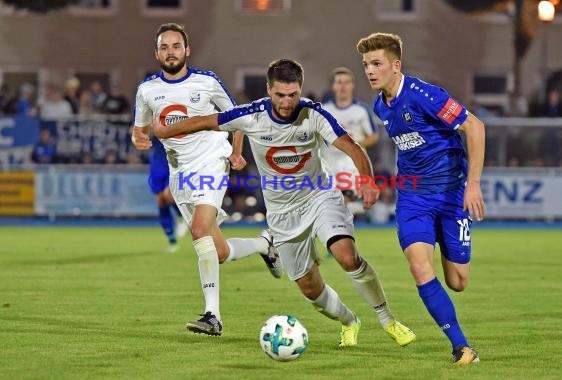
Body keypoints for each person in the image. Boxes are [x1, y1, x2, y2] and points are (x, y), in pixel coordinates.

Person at [152, 58, 416, 348]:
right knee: (309, 287)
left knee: (346, 255)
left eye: (293, 94)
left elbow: (352, 147)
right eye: (280, 95)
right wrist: (165, 131)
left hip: (320, 197)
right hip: (282, 214)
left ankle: (388, 320)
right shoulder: (251, 115)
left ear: (300, 89)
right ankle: (349, 320)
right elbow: (205, 121)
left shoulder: (313, 114)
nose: (287, 102)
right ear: (269, 90)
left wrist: (367, 180)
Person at [131, 23, 282, 336]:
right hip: (179, 172)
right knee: (220, 251)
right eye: (164, 47)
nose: (170, 52)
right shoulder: (147, 90)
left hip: (212, 160)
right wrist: (139, 138)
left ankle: (213, 316)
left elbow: (236, 118)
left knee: (199, 229)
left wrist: (236, 152)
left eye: (176, 46)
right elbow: (140, 128)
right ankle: (264, 244)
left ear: (187, 51)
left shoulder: (207, 81)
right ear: (156, 52)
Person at [356, 32, 485, 365]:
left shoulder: (425, 95)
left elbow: (475, 127)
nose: (370, 71)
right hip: (413, 197)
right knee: (418, 267)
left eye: (376, 64)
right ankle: (462, 347)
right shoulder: (378, 105)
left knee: (458, 281)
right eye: (366, 65)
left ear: (396, 65)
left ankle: (444, 235)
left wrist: (473, 184)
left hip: (452, 193)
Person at [322, 67, 379, 214]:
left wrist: (353, 146)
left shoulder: (361, 109)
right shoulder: (325, 109)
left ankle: (349, 216)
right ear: (333, 86)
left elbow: (373, 136)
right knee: (331, 200)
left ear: (352, 85)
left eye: (346, 82)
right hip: (330, 159)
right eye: (339, 82)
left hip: (352, 160)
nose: (343, 86)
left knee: (345, 196)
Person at [147, 135, 186, 253]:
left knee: (168, 195)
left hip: (176, 157)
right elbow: (139, 130)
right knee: (160, 200)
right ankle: (172, 241)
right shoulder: (145, 115)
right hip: (158, 159)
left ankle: (182, 216)